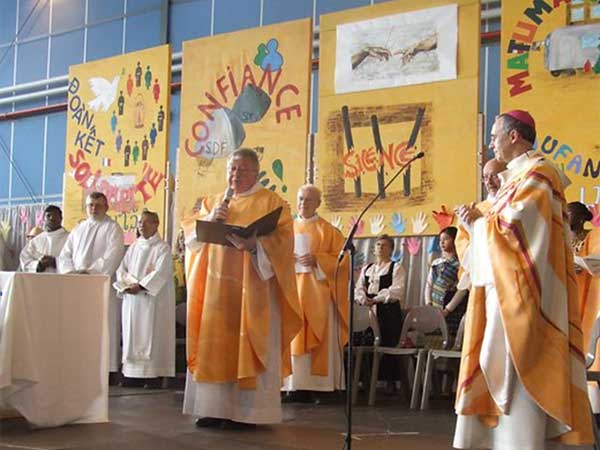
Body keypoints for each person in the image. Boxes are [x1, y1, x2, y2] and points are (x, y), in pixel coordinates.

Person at [454, 110, 592, 448]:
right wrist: (482, 214)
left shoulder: (539, 173)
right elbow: (501, 223)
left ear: (514, 136)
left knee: (518, 365)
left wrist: (477, 225)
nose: (491, 143)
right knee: (498, 363)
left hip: (525, 293)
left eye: (494, 136)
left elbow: (516, 231)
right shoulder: (516, 176)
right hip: (503, 289)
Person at [182, 148, 302, 429]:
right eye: (232, 169)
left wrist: (256, 245)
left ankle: (246, 414)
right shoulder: (213, 202)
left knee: (248, 345)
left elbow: (284, 244)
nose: (235, 175)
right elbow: (190, 238)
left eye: (242, 170)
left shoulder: (272, 203)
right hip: (216, 294)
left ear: (256, 173)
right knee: (215, 348)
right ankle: (213, 409)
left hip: (254, 292)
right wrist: (210, 221)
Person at [282, 185, 348, 400]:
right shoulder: (286, 230)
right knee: (292, 337)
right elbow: (273, 257)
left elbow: (343, 261)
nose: (304, 203)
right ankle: (295, 387)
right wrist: (286, 258)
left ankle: (320, 388)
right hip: (292, 292)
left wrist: (318, 260)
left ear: (318, 203)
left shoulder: (328, 231)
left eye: (309, 200)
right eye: (301, 198)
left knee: (321, 341)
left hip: (319, 294)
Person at [58, 192, 125, 375]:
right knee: (80, 327)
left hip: (100, 286)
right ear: (86, 207)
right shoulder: (78, 229)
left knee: (103, 326)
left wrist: (90, 272)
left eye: (98, 205)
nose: (94, 209)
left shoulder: (113, 229)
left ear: (106, 207)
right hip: (78, 285)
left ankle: (107, 369)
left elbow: (113, 255)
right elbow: (65, 255)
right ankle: (80, 366)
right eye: (91, 205)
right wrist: (72, 272)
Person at [116, 211, 175, 388]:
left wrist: (141, 286)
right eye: (140, 222)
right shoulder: (134, 247)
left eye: (146, 222)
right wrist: (126, 284)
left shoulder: (162, 248)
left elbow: (161, 272)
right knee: (131, 335)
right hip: (133, 301)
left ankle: (153, 376)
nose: (141, 225)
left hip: (152, 300)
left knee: (151, 334)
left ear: (156, 224)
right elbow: (122, 269)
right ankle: (132, 375)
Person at [355, 234, 406, 396]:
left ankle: (391, 381)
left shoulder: (396, 267)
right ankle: (365, 380)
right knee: (365, 340)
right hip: (368, 311)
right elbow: (359, 288)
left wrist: (377, 299)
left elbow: (397, 290)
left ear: (391, 249)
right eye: (378, 245)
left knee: (388, 342)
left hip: (388, 312)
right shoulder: (367, 268)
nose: (380, 248)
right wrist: (363, 298)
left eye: (384, 245)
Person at [567, 202, 600, 413]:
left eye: (569, 214)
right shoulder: (562, 238)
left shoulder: (594, 237)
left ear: (580, 219)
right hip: (576, 302)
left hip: (593, 302)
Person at [425, 226, 463, 337]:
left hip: (452, 307)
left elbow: (462, 290)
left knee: (450, 337)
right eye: (440, 240)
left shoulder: (461, 264)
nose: (442, 242)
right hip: (435, 307)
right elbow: (429, 285)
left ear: (455, 240)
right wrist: (428, 304)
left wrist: (447, 310)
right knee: (434, 338)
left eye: (446, 239)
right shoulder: (436, 263)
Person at [20, 205, 69, 273]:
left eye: (55, 215)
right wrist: (39, 265)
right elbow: (25, 259)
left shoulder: (70, 238)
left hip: (63, 278)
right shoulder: (36, 241)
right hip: (40, 278)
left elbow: (77, 259)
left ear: (61, 218)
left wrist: (56, 262)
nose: (51, 218)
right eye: (48, 216)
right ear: (43, 219)